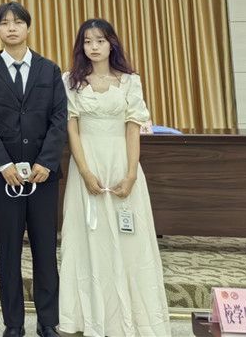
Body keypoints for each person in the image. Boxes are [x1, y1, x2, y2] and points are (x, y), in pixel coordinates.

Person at [58, 19, 170, 337]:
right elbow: (71, 129)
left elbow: (133, 128)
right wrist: (84, 171)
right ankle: (88, 318)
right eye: (87, 41)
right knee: (87, 238)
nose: (93, 47)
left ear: (111, 44)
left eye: (100, 40)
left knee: (129, 241)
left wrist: (131, 173)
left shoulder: (130, 81)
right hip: (86, 165)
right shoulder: (70, 81)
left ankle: (132, 319)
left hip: (122, 163)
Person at [0, 2, 66, 337]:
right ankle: (13, 323)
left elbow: (59, 118)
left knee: (45, 249)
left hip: (43, 176)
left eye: (17, 22)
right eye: (4, 23)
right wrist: (4, 164)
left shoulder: (49, 70)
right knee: (8, 251)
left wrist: (46, 162)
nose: (11, 28)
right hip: (5, 177)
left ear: (28, 27)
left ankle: (48, 321)